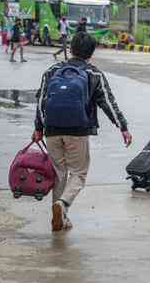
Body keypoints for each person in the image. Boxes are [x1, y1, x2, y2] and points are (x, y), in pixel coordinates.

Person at [32, 32, 132, 231]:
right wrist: (123, 127)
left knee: (59, 173)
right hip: (78, 130)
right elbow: (108, 103)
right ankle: (63, 205)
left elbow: (41, 100)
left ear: (70, 48)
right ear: (91, 53)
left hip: (52, 129)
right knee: (78, 173)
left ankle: (60, 218)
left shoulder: (52, 70)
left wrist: (38, 128)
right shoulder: (93, 73)